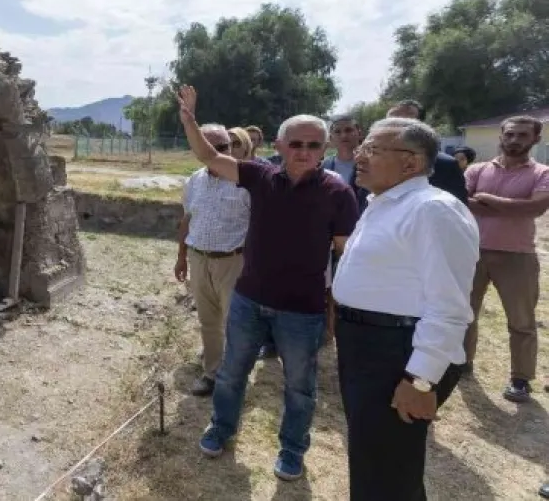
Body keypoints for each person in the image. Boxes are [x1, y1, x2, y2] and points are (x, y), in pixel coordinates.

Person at [175, 84, 358, 481]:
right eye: (296, 143)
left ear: (324, 148)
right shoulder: (259, 177)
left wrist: (338, 308)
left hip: (302, 309)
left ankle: (292, 450)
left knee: (299, 387)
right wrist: (189, 119)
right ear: (279, 143)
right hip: (249, 299)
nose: (304, 151)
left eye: (314, 144)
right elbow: (208, 155)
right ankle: (221, 428)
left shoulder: (338, 193)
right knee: (231, 373)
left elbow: (346, 255)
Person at [332, 117, 477, 500]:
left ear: (411, 163)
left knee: (387, 471)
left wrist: (421, 380)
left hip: (398, 352)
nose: (359, 156)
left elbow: (449, 307)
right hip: (368, 345)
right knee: (377, 461)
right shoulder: (384, 201)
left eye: (373, 150)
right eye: (363, 148)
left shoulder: (433, 210)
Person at [463, 116, 549, 401]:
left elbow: (535, 208)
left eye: (522, 135)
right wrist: (512, 207)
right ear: (501, 136)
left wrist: (487, 199)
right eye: (510, 134)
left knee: (521, 321)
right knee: (464, 313)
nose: (515, 140)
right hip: (472, 252)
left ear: (535, 139)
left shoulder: (541, 173)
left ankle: (521, 379)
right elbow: (462, 201)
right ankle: (462, 363)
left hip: (517, 257)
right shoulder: (478, 169)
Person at [175, 124, 251, 397]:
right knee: (208, 321)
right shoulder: (194, 180)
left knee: (236, 324)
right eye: (211, 148)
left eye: (223, 147)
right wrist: (181, 257)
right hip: (199, 259)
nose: (218, 153)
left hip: (234, 262)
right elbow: (187, 220)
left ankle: (235, 380)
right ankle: (212, 374)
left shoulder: (246, 181)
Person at [386, 100, 468, 203]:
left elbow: (457, 210)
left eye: (403, 123)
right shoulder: (373, 163)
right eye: (389, 124)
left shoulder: (445, 166)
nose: (395, 129)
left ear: (421, 127)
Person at [322, 114, 370, 213]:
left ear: (359, 134)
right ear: (331, 138)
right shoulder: (324, 166)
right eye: (337, 132)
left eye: (348, 130)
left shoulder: (371, 163)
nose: (343, 135)